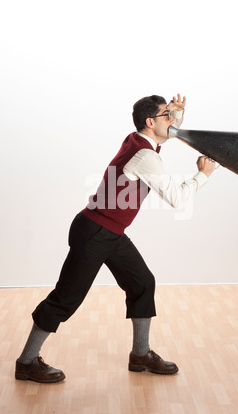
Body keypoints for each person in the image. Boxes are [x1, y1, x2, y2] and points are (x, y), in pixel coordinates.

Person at [15, 94, 215, 383]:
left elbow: (164, 134)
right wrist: (202, 175)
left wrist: (177, 114)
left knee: (142, 282)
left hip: (109, 232)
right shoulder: (146, 156)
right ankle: (27, 361)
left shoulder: (138, 139)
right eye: (166, 116)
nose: (171, 121)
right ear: (150, 122)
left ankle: (141, 355)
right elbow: (177, 198)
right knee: (66, 299)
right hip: (95, 233)